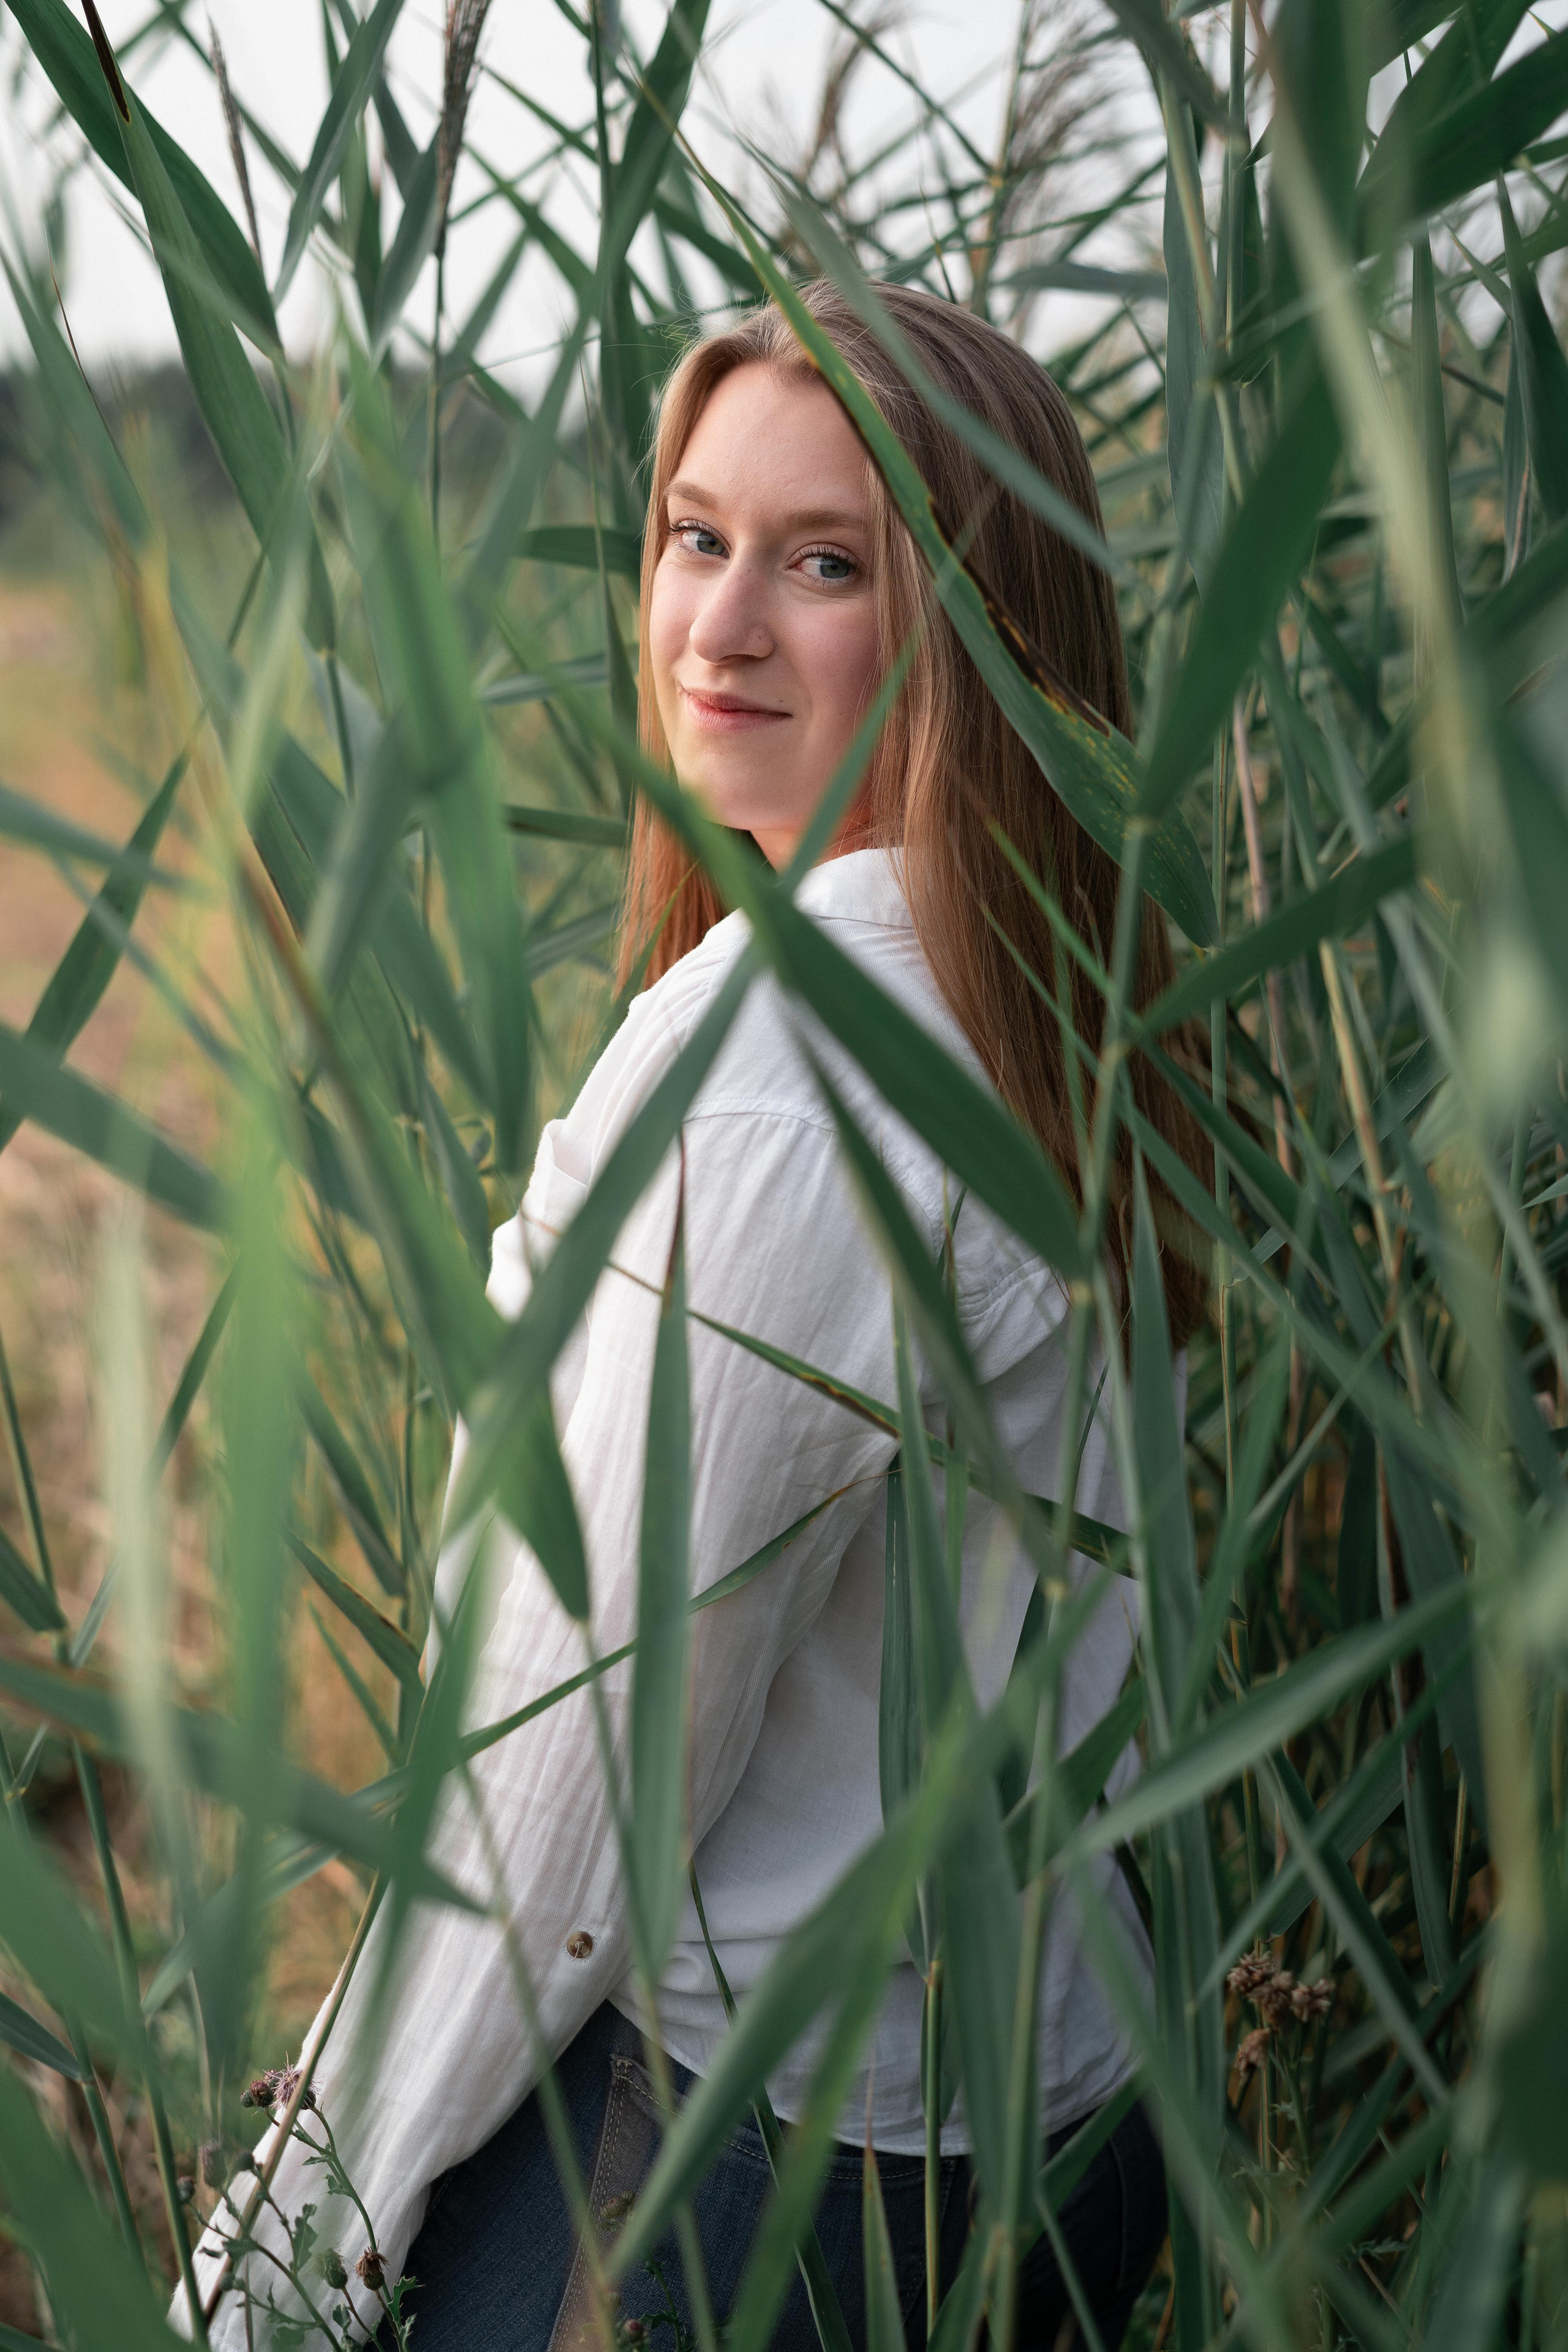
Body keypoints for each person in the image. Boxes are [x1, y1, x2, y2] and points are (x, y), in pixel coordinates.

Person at [183, 280, 1208, 2351]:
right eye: (694, 536)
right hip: (1068, 2110)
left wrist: (302, 2235)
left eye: (825, 564)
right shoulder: (1052, 1002)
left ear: (982, 631)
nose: (715, 627)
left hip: (772, 2182)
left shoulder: (781, 1086)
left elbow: (573, 1777)